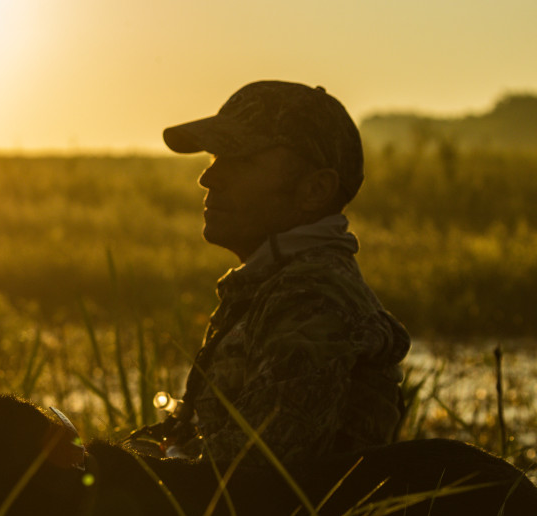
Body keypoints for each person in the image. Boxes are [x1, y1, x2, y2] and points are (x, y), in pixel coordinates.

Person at [131, 81, 411, 466]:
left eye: (241, 160)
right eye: (214, 157)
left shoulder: (313, 299)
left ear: (315, 189)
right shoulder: (275, 282)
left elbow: (254, 474)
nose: (208, 178)